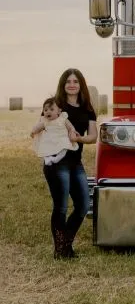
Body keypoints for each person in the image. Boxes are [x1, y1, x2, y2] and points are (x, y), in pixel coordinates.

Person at [42, 69, 97, 259]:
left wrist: (78, 138)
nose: (71, 84)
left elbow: (93, 137)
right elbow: (43, 125)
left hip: (75, 162)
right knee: (61, 207)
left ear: (81, 84)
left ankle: (65, 243)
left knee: (82, 206)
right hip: (57, 164)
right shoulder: (56, 105)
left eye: (75, 81)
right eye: (68, 81)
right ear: (63, 85)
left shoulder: (87, 108)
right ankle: (61, 250)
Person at [31, 97, 79, 166]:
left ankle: (56, 159)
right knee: (43, 146)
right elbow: (37, 127)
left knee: (65, 147)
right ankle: (47, 158)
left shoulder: (63, 118)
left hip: (61, 138)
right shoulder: (45, 121)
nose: (48, 112)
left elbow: (70, 127)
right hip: (49, 139)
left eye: (51, 109)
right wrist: (33, 132)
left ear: (59, 111)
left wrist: (73, 131)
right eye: (45, 110)